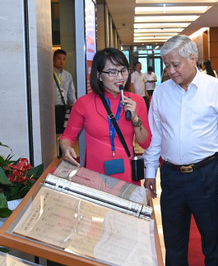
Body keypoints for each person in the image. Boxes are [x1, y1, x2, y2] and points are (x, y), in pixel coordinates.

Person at [143, 35, 218, 266]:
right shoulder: (161, 92)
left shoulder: (215, 88)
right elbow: (156, 135)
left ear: (192, 59)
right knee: (174, 241)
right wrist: (150, 172)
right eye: (166, 65)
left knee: (213, 240)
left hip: (206, 174)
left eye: (175, 64)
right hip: (172, 175)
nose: (170, 71)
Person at [59, 48, 150, 184]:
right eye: (112, 72)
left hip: (127, 175)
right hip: (94, 176)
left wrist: (135, 118)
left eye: (123, 70)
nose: (120, 77)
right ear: (99, 75)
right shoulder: (84, 103)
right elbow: (67, 137)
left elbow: (145, 142)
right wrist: (66, 149)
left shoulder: (137, 101)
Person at [53, 49, 76, 135]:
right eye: (58, 58)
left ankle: (61, 148)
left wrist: (74, 104)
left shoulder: (67, 75)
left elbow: (71, 92)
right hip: (51, 109)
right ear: (53, 59)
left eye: (64, 59)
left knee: (62, 133)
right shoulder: (48, 73)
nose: (61, 61)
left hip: (63, 109)